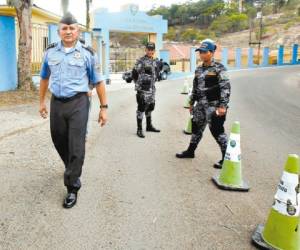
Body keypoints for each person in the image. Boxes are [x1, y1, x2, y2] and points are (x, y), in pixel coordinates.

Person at [39, 12, 108, 208]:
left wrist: (104, 108)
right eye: (64, 28)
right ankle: (72, 167)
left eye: (72, 28)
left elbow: (99, 82)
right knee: (58, 139)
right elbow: (44, 78)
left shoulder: (87, 53)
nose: (68, 31)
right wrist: (42, 102)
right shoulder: (50, 52)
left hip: (79, 102)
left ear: (77, 31)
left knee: (76, 145)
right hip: (57, 103)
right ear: (59, 31)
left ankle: (72, 186)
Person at [176, 40, 231, 169]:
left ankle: (227, 158)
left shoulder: (219, 68)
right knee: (196, 129)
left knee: (217, 131)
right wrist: (191, 102)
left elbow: (226, 88)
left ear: (211, 53)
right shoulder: (199, 69)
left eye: (204, 52)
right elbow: (195, 87)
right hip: (200, 105)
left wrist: (223, 105)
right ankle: (190, 151)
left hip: (214, 105)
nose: (201, 54)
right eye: (200, 52)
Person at [132, 42, 161, 138]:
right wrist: (139, 85)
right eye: (148, 49)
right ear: (146, 50)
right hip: (143, 90)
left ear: (154, 51)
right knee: (141, 108)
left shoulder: (155, 61)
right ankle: (139, 129)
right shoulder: (141, 61)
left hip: (152, 89)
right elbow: (134, 73)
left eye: (152, 49)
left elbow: (156, 73)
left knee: (151, 107)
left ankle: (149, 126)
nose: (150, 51)